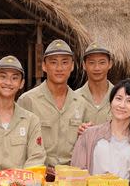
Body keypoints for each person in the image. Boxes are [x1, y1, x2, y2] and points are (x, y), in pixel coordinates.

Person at [17, 39, 85, 173]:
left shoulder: (81, 103)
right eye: (53, 62)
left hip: (71, 177)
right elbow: (18, 143)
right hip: (38, 175)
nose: (59, 68)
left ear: (72, 66)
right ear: (43, 66)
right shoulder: (28, 100)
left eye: (65, 62)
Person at [76, 42, 115, 134]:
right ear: (84, 65)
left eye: (102, 62)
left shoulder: (120, 97)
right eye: (91, 63)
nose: (97, 68)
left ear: (110, 64)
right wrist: (76, 131)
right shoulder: (73, 98)